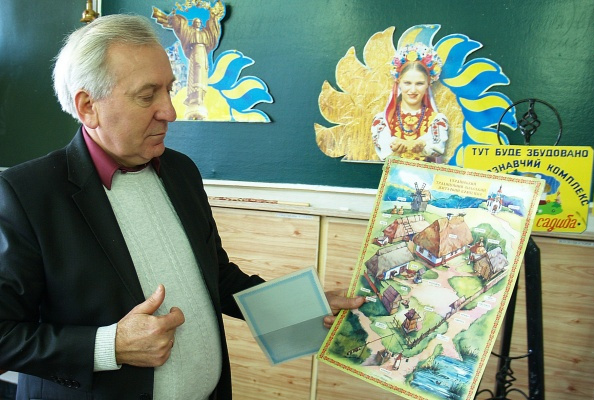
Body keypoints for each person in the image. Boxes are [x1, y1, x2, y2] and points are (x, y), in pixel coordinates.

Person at [0, 14, 363, 400]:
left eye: (169, 90)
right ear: (88, 106)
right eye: (147, 96)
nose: (170, 111)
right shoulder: (27, 195)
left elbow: (217, 278)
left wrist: (303, 305)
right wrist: (109, 346)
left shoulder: (181, 171)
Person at [371, 42, 449, 162]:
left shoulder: (437, 120)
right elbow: (384, 147)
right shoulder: (383, 120)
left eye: (419, 83)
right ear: (399, 82)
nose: (413, 90)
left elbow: (436, 148)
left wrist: (421, 144)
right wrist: (396, 144)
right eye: (407, 83)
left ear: (428, 84)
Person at [152, 1, 225, 120]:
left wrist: (213, 17)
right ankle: (193, 99)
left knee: (201, 75)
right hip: (194, 56)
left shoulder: (205, 34)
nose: (198, 24)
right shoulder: (190, 32)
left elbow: (213, 31)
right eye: (196, 22)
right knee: (194, 75)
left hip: (202, 57)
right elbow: (182, 27)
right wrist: (174, 18)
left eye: (199, 22)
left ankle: (199, 99)